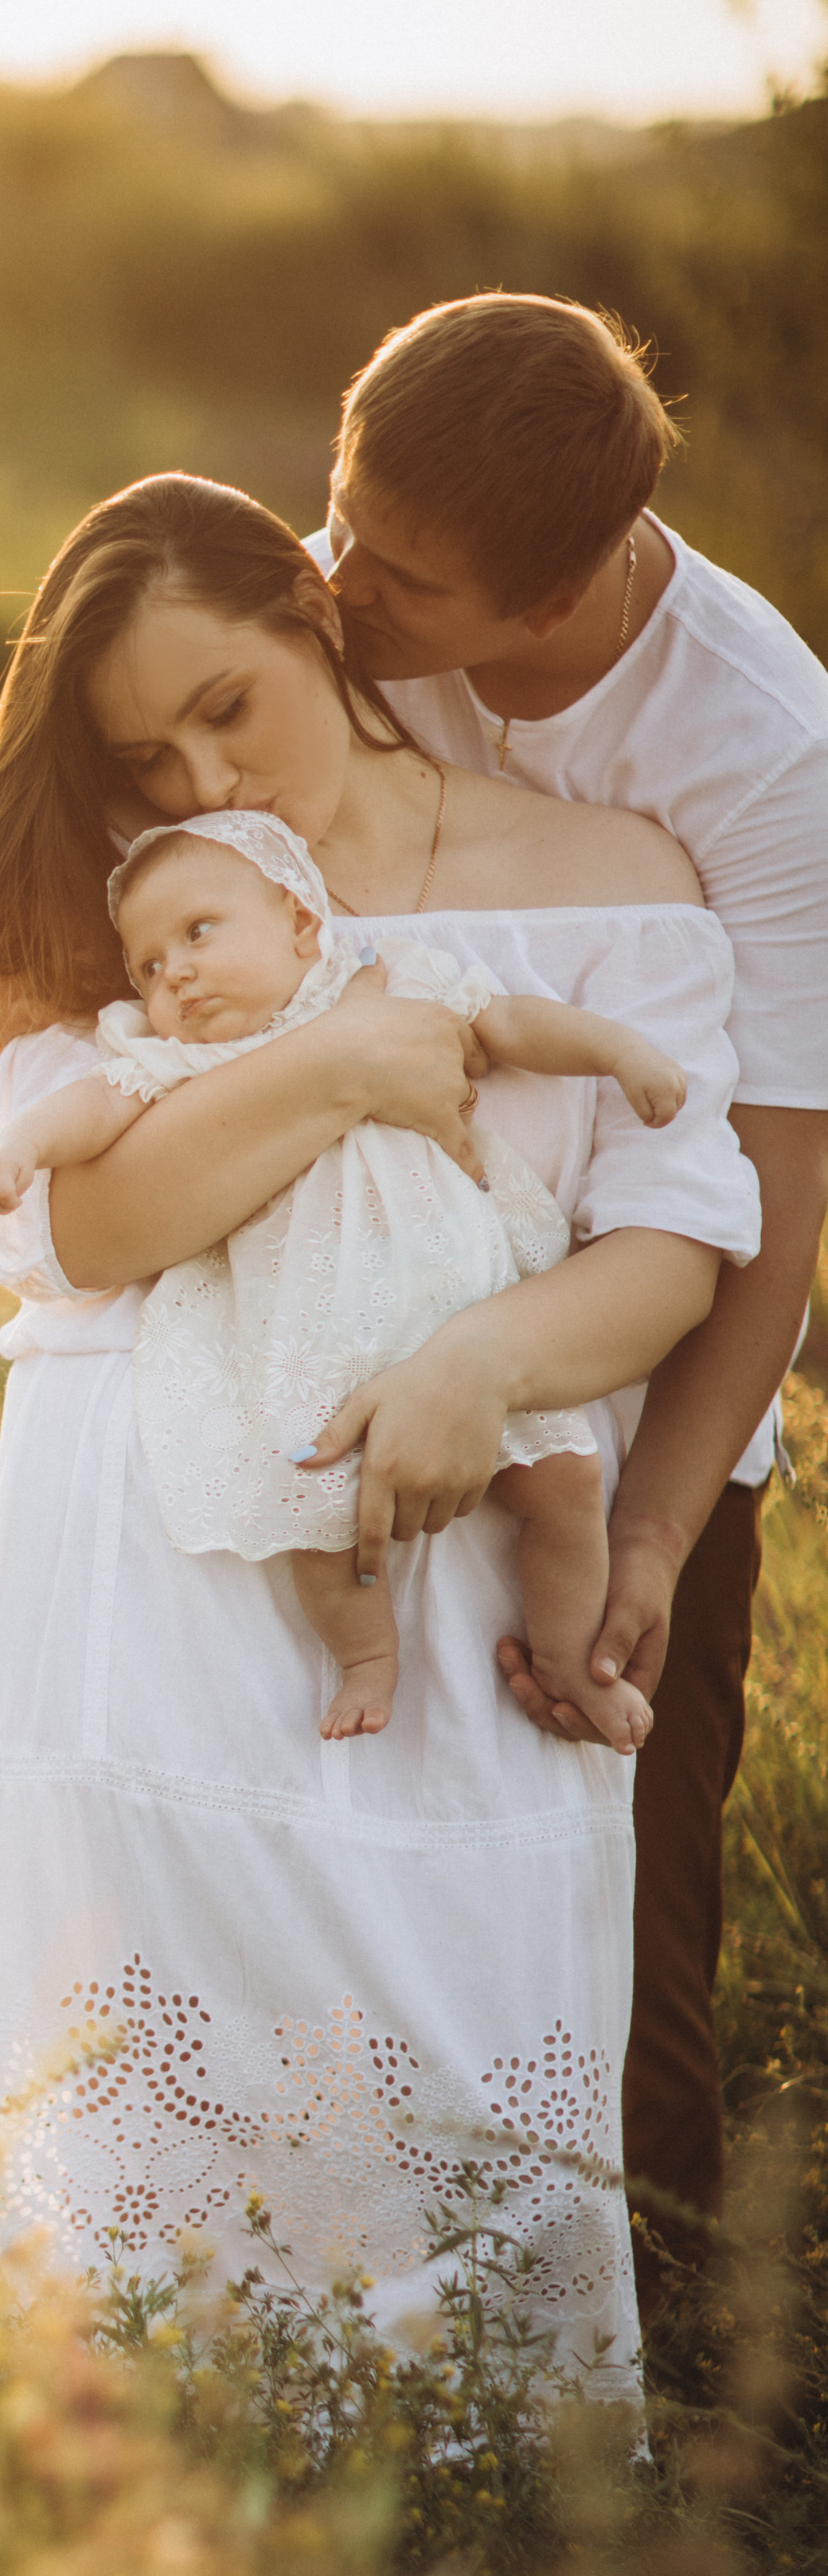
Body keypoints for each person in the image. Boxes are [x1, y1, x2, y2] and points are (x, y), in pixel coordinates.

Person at [0, 472, 760, 2398]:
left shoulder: (596, 871)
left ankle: (485, 2541)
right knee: (150, 2090)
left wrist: (480, 1359)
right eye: (146, 748)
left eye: (228, 703)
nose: (204, 772)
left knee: (458, 2060)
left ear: (309, 613)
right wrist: (326, 1061)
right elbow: (86, 1225)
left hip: (464, 1530)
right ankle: (151, 2518)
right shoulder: (143, 912)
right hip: (159, 1549)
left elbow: (680, 1231)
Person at [311, 296, 828, 2300]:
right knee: (362, 1869)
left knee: (627, 1928)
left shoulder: (759, 745)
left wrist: (653, 1517)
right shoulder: (343, 604)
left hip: (655, 1384)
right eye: (339, 517)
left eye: (397, 575)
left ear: (557, 591)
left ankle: (672, 2414)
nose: (335, 588)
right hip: (375, 1359)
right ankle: (353, 2306)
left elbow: (775, 1198)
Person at [0, 805, 689, 1747]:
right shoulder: (186, 1056)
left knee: (565, 1483)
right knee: (316, 1515)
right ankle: (364, 1658)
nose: (171, 972)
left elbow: (507, 1024)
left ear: (301, 924)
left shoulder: (386, 988)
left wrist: (619, 1053)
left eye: (197, 933)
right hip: (312, 1327)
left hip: (463, 1302)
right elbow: (93, 1107)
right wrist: (17, 1151)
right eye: (147, 964)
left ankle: (568, 1662)